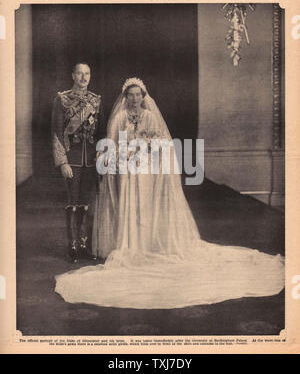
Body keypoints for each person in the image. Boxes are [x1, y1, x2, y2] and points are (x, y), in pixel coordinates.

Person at [55, 78, 284, 309]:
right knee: (128, 206)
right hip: (126, 171)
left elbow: (164, 144)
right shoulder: (118, 118)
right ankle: (130, 245)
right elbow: (110, 146)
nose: (135, 99)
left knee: (146, 206)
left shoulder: (152, 117)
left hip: (146, 170)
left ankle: (148, 244)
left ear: (144, 96)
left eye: (138, 95)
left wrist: (147, 147)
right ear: (125, 98)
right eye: (131, 95)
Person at [51, 62, 106, 263]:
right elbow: (56, 132)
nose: (84, 77)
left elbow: (101, 133)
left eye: (87, 74)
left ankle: (84, 245)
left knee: (86, 204)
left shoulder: (96, 101)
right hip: (71, 158)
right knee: (72, 203)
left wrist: (101, 154)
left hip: (91, 160)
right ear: (73, 75)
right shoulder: (62, 99)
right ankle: (72, 246)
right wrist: (62, 161)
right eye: (80, 73)